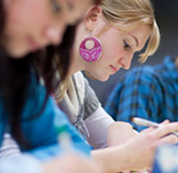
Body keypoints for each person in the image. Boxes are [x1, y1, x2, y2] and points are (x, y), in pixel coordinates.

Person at [0, 0, 178, 172]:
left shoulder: (74, 85)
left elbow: (74, 148)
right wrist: (118, 157)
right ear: (93, 18)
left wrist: (119, 127)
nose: (55, 36)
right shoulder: (26, 70)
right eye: (126, 45)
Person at [0, 0, 104, 172]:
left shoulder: (18, 72)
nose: (56, 36)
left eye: (69, 23)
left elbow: (74, 148)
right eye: (55, 7)